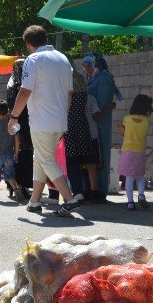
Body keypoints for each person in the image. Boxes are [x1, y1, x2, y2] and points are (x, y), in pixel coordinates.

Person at [8, 25, 81, 217]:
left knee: (46, 159)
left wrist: (13, 117)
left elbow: (24, 91)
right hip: (59, 120)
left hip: (42, 120)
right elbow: (69, 94)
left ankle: (70, 199)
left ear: (28, 44)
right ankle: (34, 202)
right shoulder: (63, 59)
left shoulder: (33, 59)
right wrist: (62, 115)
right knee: (40, 158)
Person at [85, 53, 118, 199]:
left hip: (99, 123)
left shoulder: (104, 77)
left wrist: (100, 113)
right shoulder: (94, 78)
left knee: (100, 157)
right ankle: (89, 190)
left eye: (89, 66)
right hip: (92, 122)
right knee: (91, 159)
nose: (87, 69)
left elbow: (104, 103)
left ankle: (100, 190)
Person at [63, 56, 94, 201]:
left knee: (70, 159)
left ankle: (76, 190)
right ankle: (81, 190)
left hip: (68, 123)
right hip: (81, 122)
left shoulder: (64, 81)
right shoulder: (81, 78)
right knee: (80, 159)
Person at [117, 94, 153, 211]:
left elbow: (123, 133)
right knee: (140, 176)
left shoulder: (127, 119)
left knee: (129, 177)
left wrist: (121, 129)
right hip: (140, 152)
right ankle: (141, 195)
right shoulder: (147, 121)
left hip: (127, 151)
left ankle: (130, 203)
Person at [5, 58, 33, 198]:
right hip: (25, 122)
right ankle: (22, 186)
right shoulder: (23, 85)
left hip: (14, 122)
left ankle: (12, 185)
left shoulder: (10, 84)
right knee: (25, 154)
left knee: (14, 153)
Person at [0, 100, 23, 203]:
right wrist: (16, 153)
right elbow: (17, 140)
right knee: (9, 174)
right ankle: (16, 190)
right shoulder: (13, 125)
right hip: (9, 154)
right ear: (8, 112)